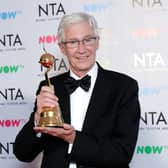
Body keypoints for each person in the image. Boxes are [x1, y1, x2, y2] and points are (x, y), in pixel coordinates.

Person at [13, 12, 140, 168]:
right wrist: (37, 119)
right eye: (73, 42)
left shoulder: (123, 87)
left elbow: (122, 154)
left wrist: (73, 138)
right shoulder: (49, 86)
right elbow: (23, 153)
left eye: (88, 40)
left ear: (97, 42)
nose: (82, 49)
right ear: (62, 48)